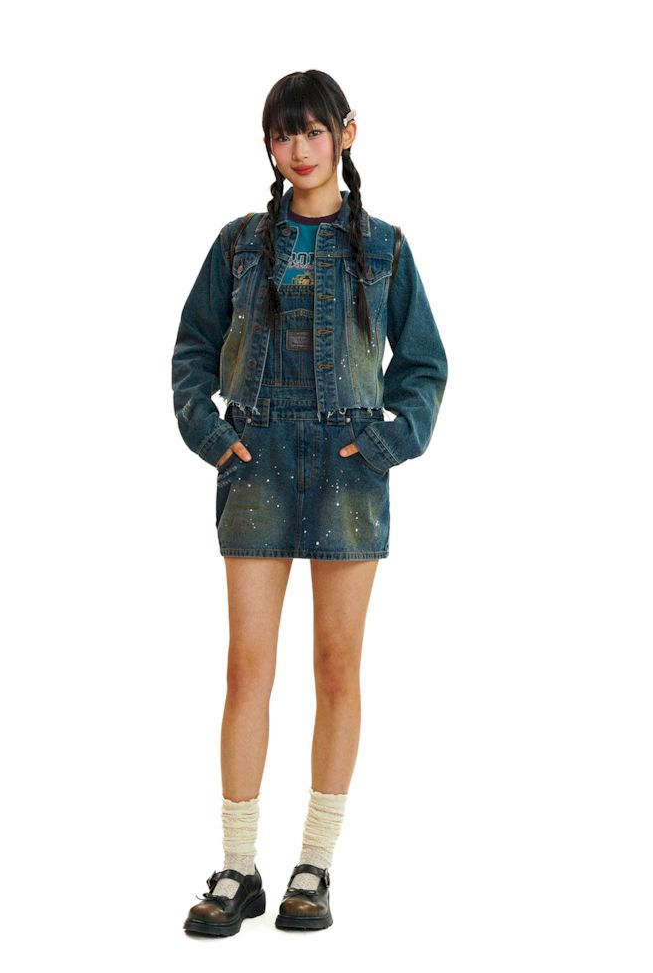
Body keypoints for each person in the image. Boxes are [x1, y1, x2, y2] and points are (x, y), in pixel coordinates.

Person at [172, 69, 448, 935]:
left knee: (336, 667)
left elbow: (424, 366)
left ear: (346, 134)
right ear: (269, 145)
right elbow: (191, 349)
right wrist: (213, 434)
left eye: (313, 131)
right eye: (282, 134)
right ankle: (236, 867)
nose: (298, 149)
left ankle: (314, 866)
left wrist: (388, 441)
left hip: (347, 470)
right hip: (255, 463)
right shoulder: (239, 243)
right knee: (246, 668)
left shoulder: (386, 248)